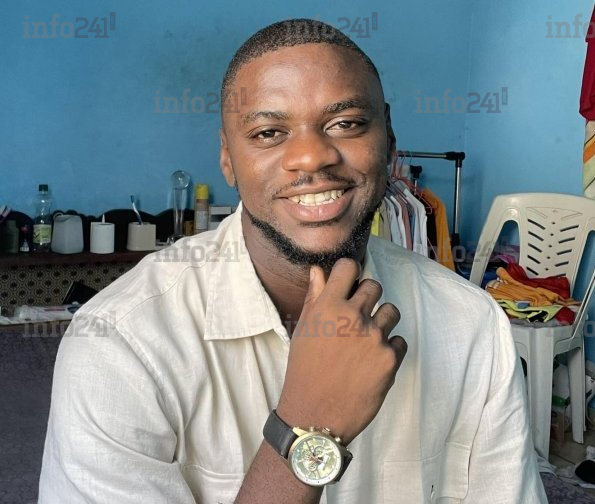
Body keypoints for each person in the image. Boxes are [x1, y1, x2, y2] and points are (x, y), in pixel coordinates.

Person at [39, 18, 547, 503]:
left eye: (346, 123)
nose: (311, 156)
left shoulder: (472, 325)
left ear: (388, 139)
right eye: (268, 133)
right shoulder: (119, 345)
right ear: (227, 158)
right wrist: (308, 426)